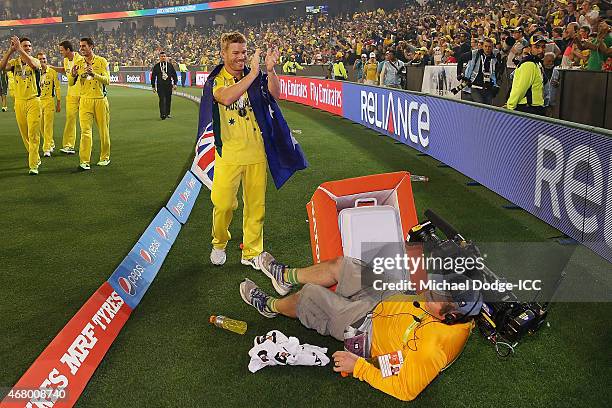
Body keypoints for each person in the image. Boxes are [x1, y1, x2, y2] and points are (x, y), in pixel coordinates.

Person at [239, 254, 482, 401]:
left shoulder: (431, 349)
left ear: (450, 317)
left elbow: (406, 390)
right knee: (342, 265)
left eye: (435, 296)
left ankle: (270, 305)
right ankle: (285, 277)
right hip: (392, 297)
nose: (428, 292)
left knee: (309, 296)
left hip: (368, 326)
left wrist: (359, 367)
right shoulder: (460, 310)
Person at [208, 32, 283, 268]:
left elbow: (275, 95)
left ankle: (251, 251)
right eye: (236, 53)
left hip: (256, 152)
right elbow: (226, 98)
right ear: (224, 54)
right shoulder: (216, 79)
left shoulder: (256, 78)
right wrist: (253, 73)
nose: (241, 57)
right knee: (223, 204)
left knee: (256, 206)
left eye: (244, 52)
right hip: (228, 154)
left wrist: (270, 71)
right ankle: (219, 242)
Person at [0, 36, 42, 175]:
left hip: (33, 101)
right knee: (25, 134)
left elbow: (34, 66)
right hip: (19, 102)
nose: (28, 48)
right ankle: (35, 156)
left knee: (33, 133)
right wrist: (11, 50)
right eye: (25, 46)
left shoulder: (35, 60)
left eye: (29, 46)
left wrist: (19, 49)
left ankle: (33, 164)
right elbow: (1, 67)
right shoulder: (14, 62)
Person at [69, 38, 110, 171]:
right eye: (80, 46)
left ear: (91, 46)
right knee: (85, 131)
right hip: (85, 100)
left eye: (84, 46)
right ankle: (84, 161)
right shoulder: (78, 63)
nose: (81, 48)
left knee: (103, 131)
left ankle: (105, 157)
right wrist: (73, 75)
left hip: (100, 100)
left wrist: (94, 74)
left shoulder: (101, 61)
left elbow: (107, 80)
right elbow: (71, 83)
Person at [51, 40, 84, 155]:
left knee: (85, 123)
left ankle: (87, 145)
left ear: (68, 50)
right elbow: (66, 71)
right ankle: (69, 145)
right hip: (71, 95)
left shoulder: (80, 60)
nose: (60, 52)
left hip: (83, 95)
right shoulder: (65, 60)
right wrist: (52, 68)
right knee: (70, 119)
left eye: (62, 50)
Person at [507, 36, 547, 115]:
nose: (541, 50)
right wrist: (510, 106)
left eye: (543, 47)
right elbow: (520, 89)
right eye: (537, 47)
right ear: (529, 48)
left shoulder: (537, 63)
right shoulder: (529, 64)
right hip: (527, 108)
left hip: (535, 108)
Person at [457, 38, 499, 105]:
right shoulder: (475, 53)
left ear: (492, 48)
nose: (487, 48)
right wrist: (459, 73)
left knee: (488, 109)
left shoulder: (494, 58)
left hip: (488, 89)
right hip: (475, 87)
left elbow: (495, 73)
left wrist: (495, 85)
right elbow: (461, 58)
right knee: (481, 105)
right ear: (482, 46)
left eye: (489, 47)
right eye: (485, 46)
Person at [37, 52, 61, 157]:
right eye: (40, 59)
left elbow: (57, 87)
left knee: (48, 126)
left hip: (49, 101)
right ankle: (51, 143)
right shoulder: (35, 71)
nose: (42, 61)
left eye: (44, 59)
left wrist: (59, 102)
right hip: (38, 102)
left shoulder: (52, 72)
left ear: (47, 59)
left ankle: (46, 148)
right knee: (41, 126)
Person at [151, 51, 178, 120]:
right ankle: (162, 114)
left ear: (166, 57)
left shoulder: (170, 65)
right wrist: (153, 86)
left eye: (164, 56)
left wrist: (175, 83)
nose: (163, 58)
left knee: (168, 99)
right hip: (160, 86)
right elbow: (153, 77)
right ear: (159, 58)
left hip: (169, 85)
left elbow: (174, 75)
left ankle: (167, 114)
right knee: (162, 99)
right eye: (161, 56)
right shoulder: (156, 66)